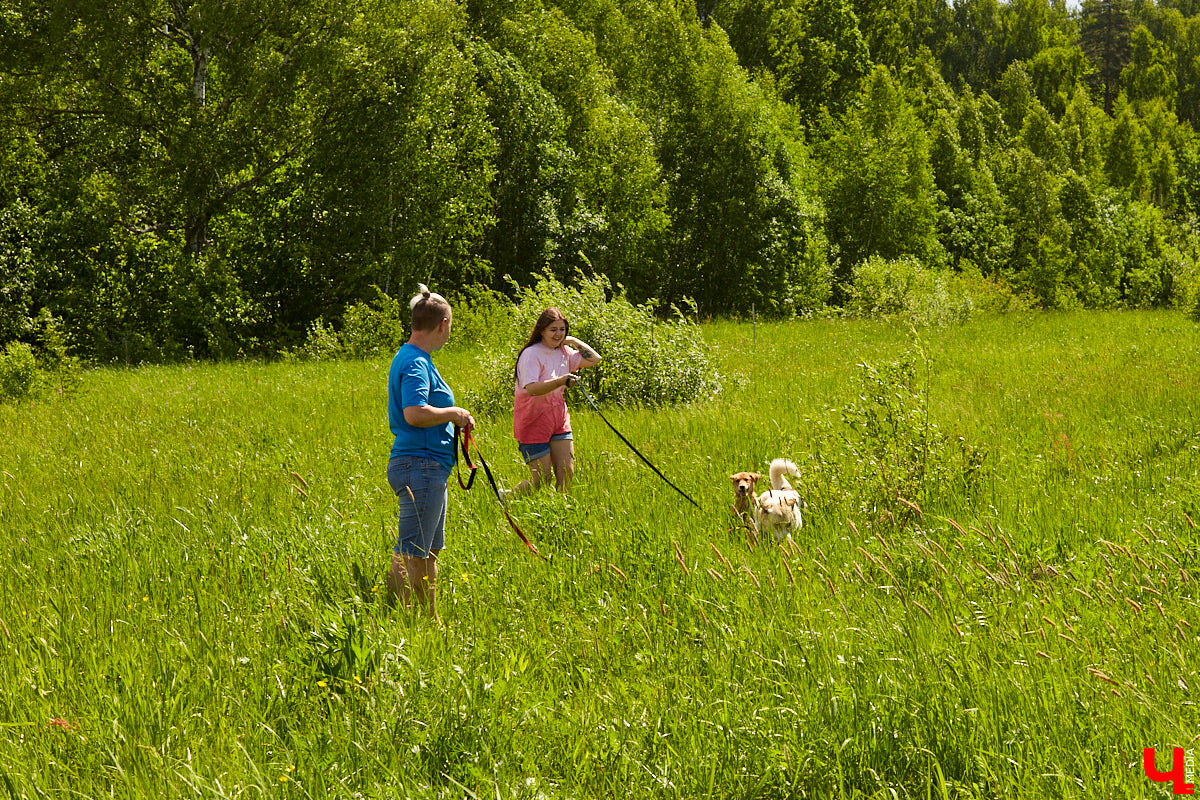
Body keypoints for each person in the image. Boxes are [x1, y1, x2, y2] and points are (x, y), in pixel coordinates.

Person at [385, 284, 474, 622]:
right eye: (450, 325)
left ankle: (403, 613)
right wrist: (455, 413)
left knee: (427, 549)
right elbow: (414, 413)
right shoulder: (415, 362)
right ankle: (422, 621)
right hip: (419, 466)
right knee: (415, 551)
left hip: (428, 466)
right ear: (443, 324)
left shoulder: (414, 358)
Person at [511, 307, 602, 494]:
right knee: (542, 480)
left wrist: (574, 341)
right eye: (553, 329)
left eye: (562, 329)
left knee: (566, 474)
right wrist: (561, 381)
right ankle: (507, 498)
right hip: (533, 421)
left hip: (558, 419)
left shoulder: (564, 352)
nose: (558, 334)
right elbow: (532, 389)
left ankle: (563, 508)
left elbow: (595, 359)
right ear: (542, 330)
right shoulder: (531, 354)